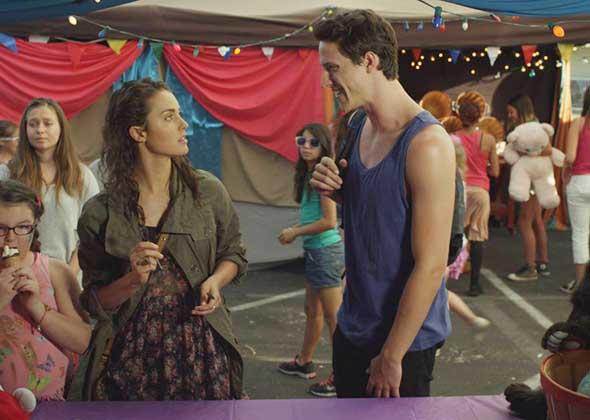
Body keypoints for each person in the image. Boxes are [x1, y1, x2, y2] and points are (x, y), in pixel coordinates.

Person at [68, 78, 247, 401]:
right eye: (168, 116)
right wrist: (132, 280)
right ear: (139, 133)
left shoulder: (206, 192)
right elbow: (94, 302)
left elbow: (233, 253)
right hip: (131, 360)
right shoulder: (100, 213)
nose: (183, 124)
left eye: (179, 114)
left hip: (200, 352)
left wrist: (216, 281)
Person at [311, 10, 454, 398]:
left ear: (369, 61)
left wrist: (391, 356)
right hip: (353, 327)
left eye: (333, 68)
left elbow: (431, 265)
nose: (327, 81)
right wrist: (335, 189)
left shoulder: (426, 144)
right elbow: (378, 209)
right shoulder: (357, 125)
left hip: (402, 345)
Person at [0, 179, 90, 400]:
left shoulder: (55, 272)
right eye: (0, 228)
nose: (10, 238)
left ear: (35, 225)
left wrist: (38, 309)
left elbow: (83, 342)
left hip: (53, 404)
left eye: (22, 227)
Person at [277, 123, 344, 398]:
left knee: (334, 317)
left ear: (323, 146)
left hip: (326, 252)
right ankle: (304, 361)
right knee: (312, 310)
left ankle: (343, 374)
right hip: (317, 252)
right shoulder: (307, 173)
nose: (306, 146)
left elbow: (329, 221)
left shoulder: (323, 174)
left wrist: (295, 232)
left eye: (313, 142)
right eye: (301, 140)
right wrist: (298, 231)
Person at [0, 99, 99, 281]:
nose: (40, 130)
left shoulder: (81, 175)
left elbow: (93, 233)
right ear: (25, 129)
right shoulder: (7, 173)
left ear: (61, 128)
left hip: (69, 277)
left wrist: (67, 274)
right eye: (33, 124)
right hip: (18, 277)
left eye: (47, 123)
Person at [454, 91, 499, 296]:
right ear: (479, 116)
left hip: (460, 189)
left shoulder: (453, 139)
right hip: (481, 191)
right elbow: (495, 171)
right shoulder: (488, 139)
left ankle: (449, 274)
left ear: (459, 116)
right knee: (478, 236)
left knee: (456, 233)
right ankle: (474, 285)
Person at [505, 94, 551, 281]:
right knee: (537, 220)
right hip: (539, 178)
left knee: (524, 221)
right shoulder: (536, 126)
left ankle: (530, 268)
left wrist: (522, 152)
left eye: (511, 112)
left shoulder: (529, 130)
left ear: (521, 111)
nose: (509, 116)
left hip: (531, 181)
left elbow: (548, 150)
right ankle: (542, 263)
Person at [562, 87, 590, 293]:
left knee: (580, 234)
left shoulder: (578, 124)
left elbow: (570, 157)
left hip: (579, 181)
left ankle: (581, 285)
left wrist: (565, 167)